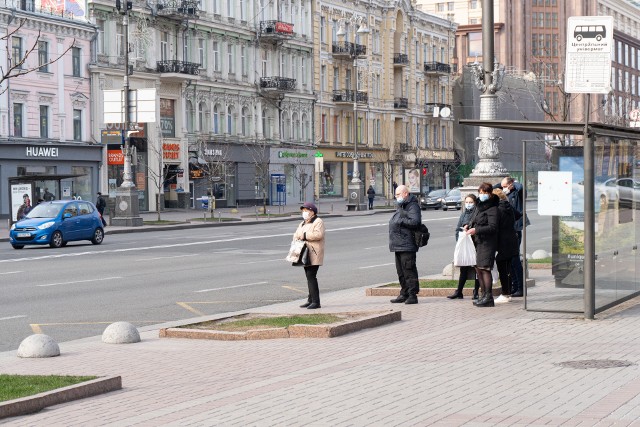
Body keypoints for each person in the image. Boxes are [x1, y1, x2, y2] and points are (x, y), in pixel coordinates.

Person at [465, 182, 499, 307]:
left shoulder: (493, 208)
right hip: (478, 241)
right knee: (478, 269)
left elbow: (493, 227)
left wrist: (476, 230)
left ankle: (489, 297)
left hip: (488, 243)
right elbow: (474, 220)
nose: (482, 195)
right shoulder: (479, 206)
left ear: (490, 194)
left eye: (484, 193)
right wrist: (468, 225)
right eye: (480, 193)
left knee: (485, 269)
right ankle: (483, 294)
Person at [388, 184, 422, 305]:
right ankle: (404, 293)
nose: (396, 196)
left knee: (409, 270)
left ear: (405, 194)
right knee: (401, 271)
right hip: (399, 244)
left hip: (407, 244)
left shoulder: (413, 206)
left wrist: (400, 221)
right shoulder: (402, 205)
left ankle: (412, 295)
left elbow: (415, 222)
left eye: (398, 194)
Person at [499, 176, 528, 297]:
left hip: (515, 229)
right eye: (503, 187)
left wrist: (513, 184)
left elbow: (520, 187)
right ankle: (515, 286)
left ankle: (520, 287)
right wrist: (503, 184)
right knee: (511, 261)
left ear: (511, 184)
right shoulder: (506, 194)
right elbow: (495, 188)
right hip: (509, 231)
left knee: (515, 260)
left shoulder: (518, 191)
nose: (503, 189)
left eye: (505, 186)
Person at [447, 194, 480, 300]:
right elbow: (458, 228)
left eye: (471, 202)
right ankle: (459, 291)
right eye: (467, 202)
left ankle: (476, 291)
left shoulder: (477, 213)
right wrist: (459, 240)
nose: (468, 204)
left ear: (475, 203)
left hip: (475, 243)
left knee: (477, 269)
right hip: (464, 244)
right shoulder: (463, 214)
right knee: (463, 268)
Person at [293, 202, 325, 309]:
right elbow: (296, 234)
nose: (304, 213)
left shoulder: (318, 221)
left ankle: (316, 302)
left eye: (306, 211)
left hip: (314, 253)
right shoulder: (303, 223)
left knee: (311, 276)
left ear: (312, 211)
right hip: (304, 252)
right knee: (308, 276)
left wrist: (305, 235)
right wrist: (298, 237)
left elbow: (318, 235)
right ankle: (310, 300)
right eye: (303, 211)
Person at [493, 188, 520, 304]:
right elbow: (518, 215)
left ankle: (505, 293)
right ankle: (507, 292)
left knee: (503, 268)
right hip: (511, 240)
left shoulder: (498, 209)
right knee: (508, 268)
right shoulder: (508, 206)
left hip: (503, 242)